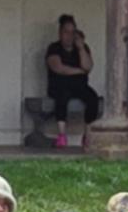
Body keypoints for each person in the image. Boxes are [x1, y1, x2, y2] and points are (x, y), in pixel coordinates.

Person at [41, 12, 101, 144]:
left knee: (92, 97)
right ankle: (62, 135)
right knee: (62, 96)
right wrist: (79, 71)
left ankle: (87, 135)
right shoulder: (54, 48)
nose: (69, 36)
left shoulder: (82, 48)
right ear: (60, 33)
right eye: (66, 32)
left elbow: (88, 66)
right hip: (59, 84)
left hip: (79, 86)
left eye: (72, 32)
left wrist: (80, 48)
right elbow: (58, 68)